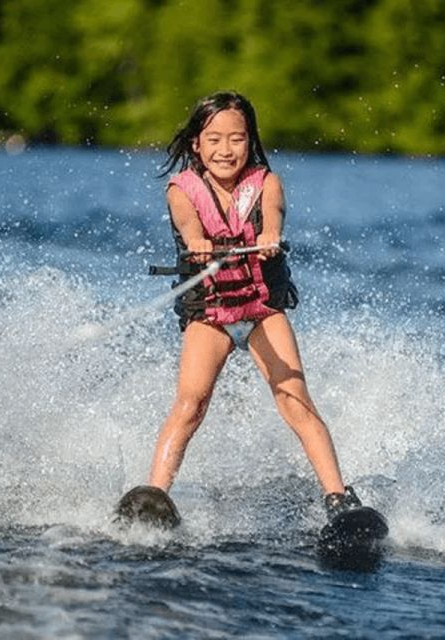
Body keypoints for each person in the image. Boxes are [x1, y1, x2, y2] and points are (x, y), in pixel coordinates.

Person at [119, 92, 363, 526]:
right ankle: (154, 494)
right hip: (211, 316)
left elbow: (274, 214)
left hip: (261, 312)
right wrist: (197, 241)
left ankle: (339, 499)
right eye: (214, 139)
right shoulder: (181, 191)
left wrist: (270, 234)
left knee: (295, 400)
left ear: (250, 142)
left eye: (236, 139)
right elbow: (187, 222)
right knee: (191, 404)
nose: (225, 150)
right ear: (196, 143)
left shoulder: (267, 183)